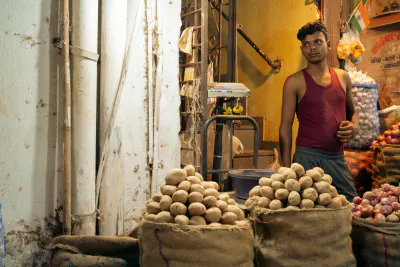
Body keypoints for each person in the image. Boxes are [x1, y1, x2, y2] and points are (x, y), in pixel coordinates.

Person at [279, 20, 359, 201]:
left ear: (328, 44)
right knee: (308, 212)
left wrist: (355, 125)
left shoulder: (343, 77)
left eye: (317, 42)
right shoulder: (295, 82)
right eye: (306, 44)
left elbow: (352, 112)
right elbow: (285, 127)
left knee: (350, 205)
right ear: (302, 50)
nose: (312, 48)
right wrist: (286, 169)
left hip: (336, 158)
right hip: (307, 158)